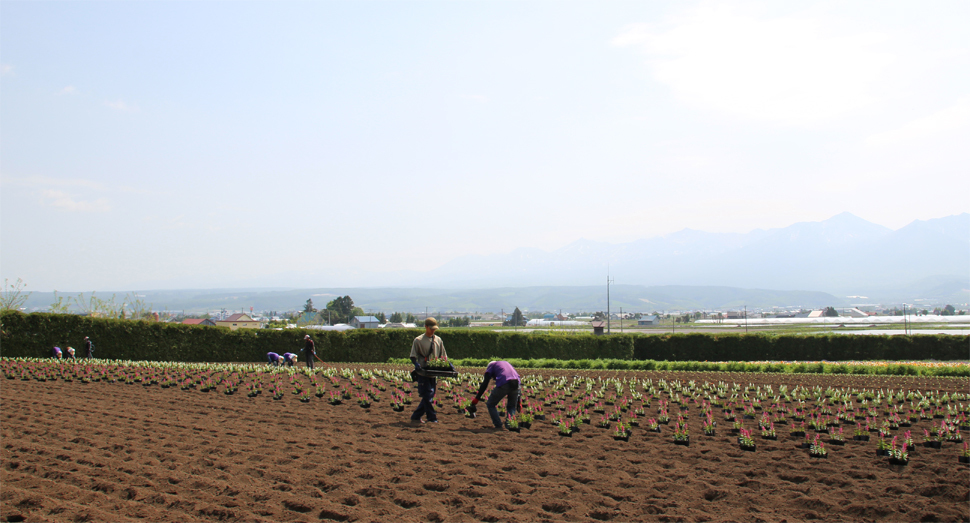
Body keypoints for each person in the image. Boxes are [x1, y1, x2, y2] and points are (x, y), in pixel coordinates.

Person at [409, 317, 449, 424]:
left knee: (430, 395)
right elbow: (413, 356)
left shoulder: (438, 340)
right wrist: (416, 364)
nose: (433, 331)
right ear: (425, 327)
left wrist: (449, 366)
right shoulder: (418, 340)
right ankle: (432, 418)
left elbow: (443, 356)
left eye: (434, 329)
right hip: (423, 372)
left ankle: (416, 416)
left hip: (433, 372)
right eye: (431, 328)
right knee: (427, 395)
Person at [470, 361, 521, 430]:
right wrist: (518, 401)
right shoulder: (505, 364)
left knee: (490, 404)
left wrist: (477, 398)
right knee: (511, 406)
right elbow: (518, 383)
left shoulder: (492, 365)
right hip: (516, 383)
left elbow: (485, 383)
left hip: (504, 383)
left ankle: (498, 425)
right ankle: (510, 425)